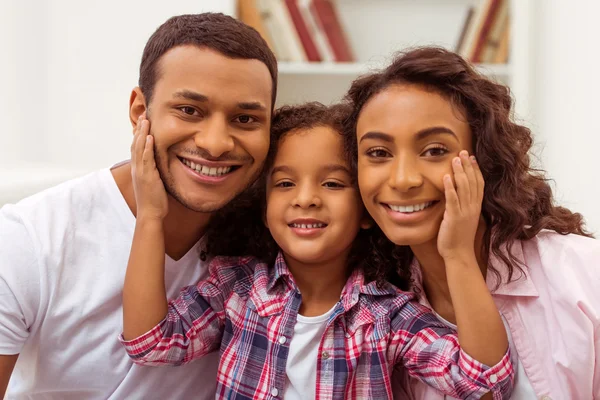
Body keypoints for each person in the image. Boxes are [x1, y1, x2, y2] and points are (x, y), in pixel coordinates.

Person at [121, 102, 515, 399]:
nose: (306, 199)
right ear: (263, 207)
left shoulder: (388, 315)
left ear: (365, 211)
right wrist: (151, 216)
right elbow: (151, 343)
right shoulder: (237, 288)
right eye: (285, 184)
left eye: (332, 184)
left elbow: (484, 380)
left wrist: (458, 254)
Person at [0, 13, 277, 399]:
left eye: (245, 119)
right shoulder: (28, 239)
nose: (216, 143)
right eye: (189, 110)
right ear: (139, 111)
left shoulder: (280, 237)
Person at [342, 46, 600, 399]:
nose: (403, 180)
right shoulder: (372, 307)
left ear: (485, 158)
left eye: (434, 150)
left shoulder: (581, 274)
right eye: (378, 153)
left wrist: (458, 254)